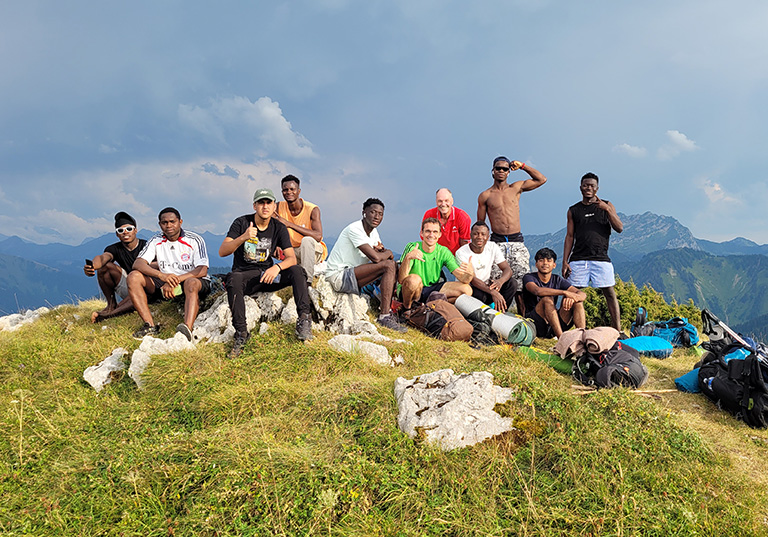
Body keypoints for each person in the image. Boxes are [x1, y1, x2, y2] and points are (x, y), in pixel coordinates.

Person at [220, 188, 314, 357]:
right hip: (245, 277)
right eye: (261, 202)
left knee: (298, 271)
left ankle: (304, 320)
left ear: (274, 206)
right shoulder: (241, 223)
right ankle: (241, 333)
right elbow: (222, 251)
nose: (265, 206)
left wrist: (276, 267)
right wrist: (243, 237)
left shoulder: (278, 227)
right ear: (254, 205)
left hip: (268, 275)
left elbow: (291, 258)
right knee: (232, 278)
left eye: (269, 202)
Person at [477, 156, 547, 314]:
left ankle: (524, 319)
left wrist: (522, 166)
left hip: (516, 241)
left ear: (509, 172)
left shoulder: (516, 187)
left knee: (522, 285)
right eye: (498, 168)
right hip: (497, 242)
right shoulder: (485, 196)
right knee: (496, 282)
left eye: (505, 169)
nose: (501, 171)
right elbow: (480, 224)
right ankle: (494, 317)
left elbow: (541, 179)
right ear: (492, 171)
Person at [127, 207, 211, 341]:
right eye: (164, 222)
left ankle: (187, 329)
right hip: (165, 279)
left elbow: (202, 270)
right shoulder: (156, 240)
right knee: (133, 277)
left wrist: (175, 280)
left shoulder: (194, 240)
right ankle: (150, 325)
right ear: (160, 224)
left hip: (191, 279)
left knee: (191, 283)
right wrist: (163, 276)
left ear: (180, 222)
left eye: (172, 221)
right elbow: (138, 264)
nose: (169, 225)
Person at [325, 198, 406, 332]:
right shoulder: (355, 229)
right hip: (339, 276)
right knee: (389, 265)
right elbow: (375, 257)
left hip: (353, 276)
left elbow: (380, 253)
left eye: (380, 214)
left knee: (393, 266)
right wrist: (388, 252)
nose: (377, 217)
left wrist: (383, 253)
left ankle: (390, 309)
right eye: (373, 212)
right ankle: (384, 316)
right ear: (364, 212)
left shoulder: (373, 232)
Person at [562, 172, 624, 331]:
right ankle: (562, 330)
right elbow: (569, 236)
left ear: (597, 188)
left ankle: (617, 330)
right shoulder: (573, 210)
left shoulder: (607, 205)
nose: (588, 188)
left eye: (592, 186)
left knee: (609, 293)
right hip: (578, 258)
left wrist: (608, 210)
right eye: (585, 185)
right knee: (571, 294)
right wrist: (565, 261)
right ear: (580, 187)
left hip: (601, 258)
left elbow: (619, 228)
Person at [83, 211, 147, 323]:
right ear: (117, 234)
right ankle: (111, 305)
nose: (125, 232)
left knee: (138, 288)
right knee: (104, 267)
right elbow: (103, 258)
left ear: (135, 230)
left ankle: (109, 315)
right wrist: (93, 266)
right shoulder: (114, 248)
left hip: (147, 286)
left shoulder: (147, 246)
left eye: (129, 229)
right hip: (129, 284)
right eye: (120, 230)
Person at [399, 218, 474, 310]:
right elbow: (401, 280)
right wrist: (408, 258)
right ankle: (406, 309)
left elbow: (463, 278)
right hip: (412, 290)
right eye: (428, 231)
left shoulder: (443, 251)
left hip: (431, 289)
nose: (431, 235)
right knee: (414, 280)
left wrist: (470, 274)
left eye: (435, 232)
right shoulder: (412, 247)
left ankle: (429, 307)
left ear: (439, 235)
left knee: (467, 290)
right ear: (421, 233)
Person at [273, 174, 327, 283]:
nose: (289, 192)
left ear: (299, 191)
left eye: (292, 189)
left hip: (313, 251)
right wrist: (275, 245)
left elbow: (318, 236)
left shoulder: (312, 209)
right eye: (285, 190)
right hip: (292, 252)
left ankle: (306, 281)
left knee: (306, 241)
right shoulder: (278, 207)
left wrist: (289, 224)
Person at [523, 248, 586, 339]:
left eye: (549, 261)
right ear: (536, 264)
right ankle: (561, 339)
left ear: (554, 265)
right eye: (541, 260)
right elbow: (537, 291)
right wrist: (565, 292)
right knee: (547, 299)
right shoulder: (529, 277)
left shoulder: (557, 279)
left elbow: (582, 295)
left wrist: (573, 298)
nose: (545, 263)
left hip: (554, 323)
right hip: (535, 324)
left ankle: (582, 338)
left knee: (577, 301)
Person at [454, 221, 516, 312]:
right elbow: (472, 279)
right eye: (476, 234)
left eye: (483, 234)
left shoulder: (492, 247)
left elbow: (507, 269)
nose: (479, 237)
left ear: (488, 237)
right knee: (479, 294)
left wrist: (500, 282)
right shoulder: (461, 253)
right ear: (470, 235)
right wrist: (493, 292)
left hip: (487, 285)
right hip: (471, 288)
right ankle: (481, 317)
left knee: (512, 284)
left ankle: (501, 312)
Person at [422, 188, 471, 254]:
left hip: (455, 256)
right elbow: (425, 237)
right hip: (435, 255)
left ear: (452, 201)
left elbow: (465, 242)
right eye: (440, 201)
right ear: (436, 202)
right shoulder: (429, 214)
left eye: (446, 201)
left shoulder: (463, 217)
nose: (443, 204)